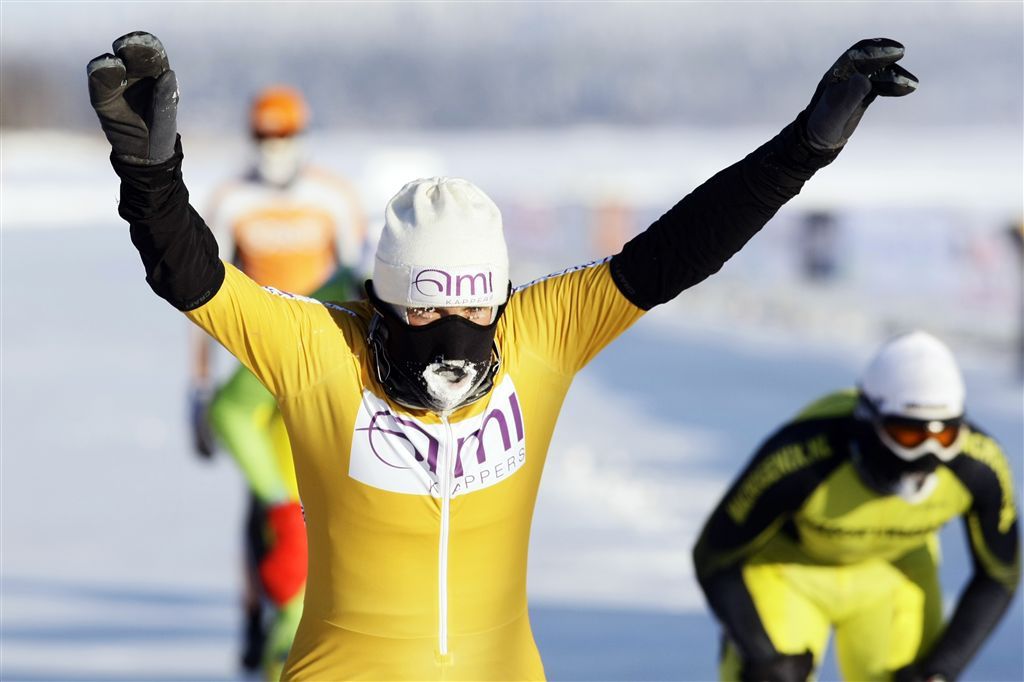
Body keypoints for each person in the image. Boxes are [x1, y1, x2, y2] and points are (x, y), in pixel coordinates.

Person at [87, 31, 917, 680]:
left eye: (476, 302)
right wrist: (150, 175)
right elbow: (193, 278)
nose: (455, 327)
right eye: (426, 304)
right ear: (381, 300)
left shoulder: (539, 335)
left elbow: (680, 249)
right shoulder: (323, 350)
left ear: (503, 294)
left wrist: (804, 147)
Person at [692, 330, 1020, 682]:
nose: (929, 454)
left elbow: (999, 575)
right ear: (868, 419)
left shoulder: (980, 465)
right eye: (908, 435)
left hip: (893, 574)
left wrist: (939, 670)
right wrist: (762, 656)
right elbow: (715, 557)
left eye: (945, 436)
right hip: (788, 569)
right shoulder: (802, 458)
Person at [187, 86, 367, 677]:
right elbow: (203, 297)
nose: (275, 149)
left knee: (308, 495)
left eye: (284, 136)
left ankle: (306, 629)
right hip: (253, 361)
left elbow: (361, 283)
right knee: (265, 509)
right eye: (265, 137)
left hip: (314, 358)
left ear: (303, 136)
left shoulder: (332, 197)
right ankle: (259, 622)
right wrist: (199, 385)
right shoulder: (231, 200)